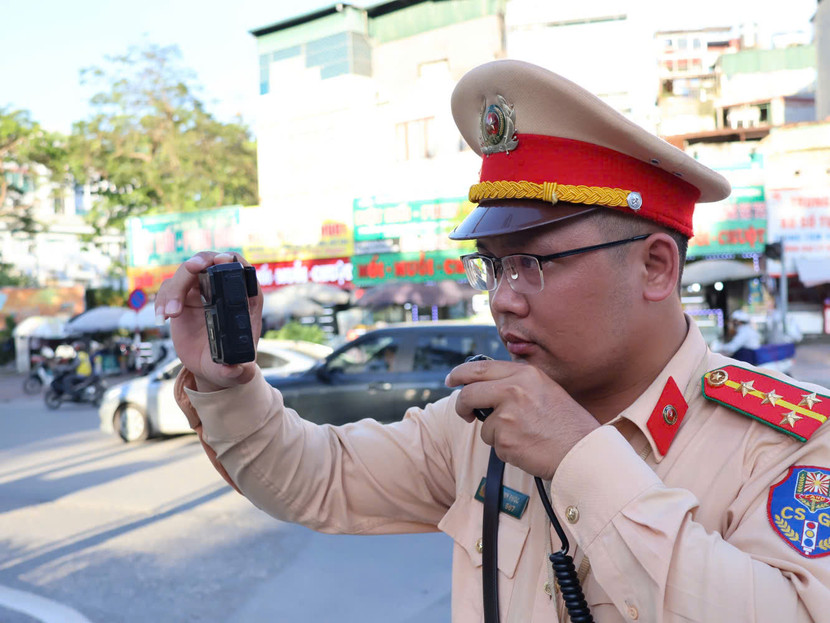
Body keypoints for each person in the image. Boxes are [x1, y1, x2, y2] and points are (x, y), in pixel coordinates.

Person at [156, 60, 830, 622]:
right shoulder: (481, 424)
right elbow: (318, 479)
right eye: (494, 264)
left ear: (655, 265)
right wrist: (228, 379)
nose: (504, 295)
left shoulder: (788, 441)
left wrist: (581, 456)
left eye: (534, 261)